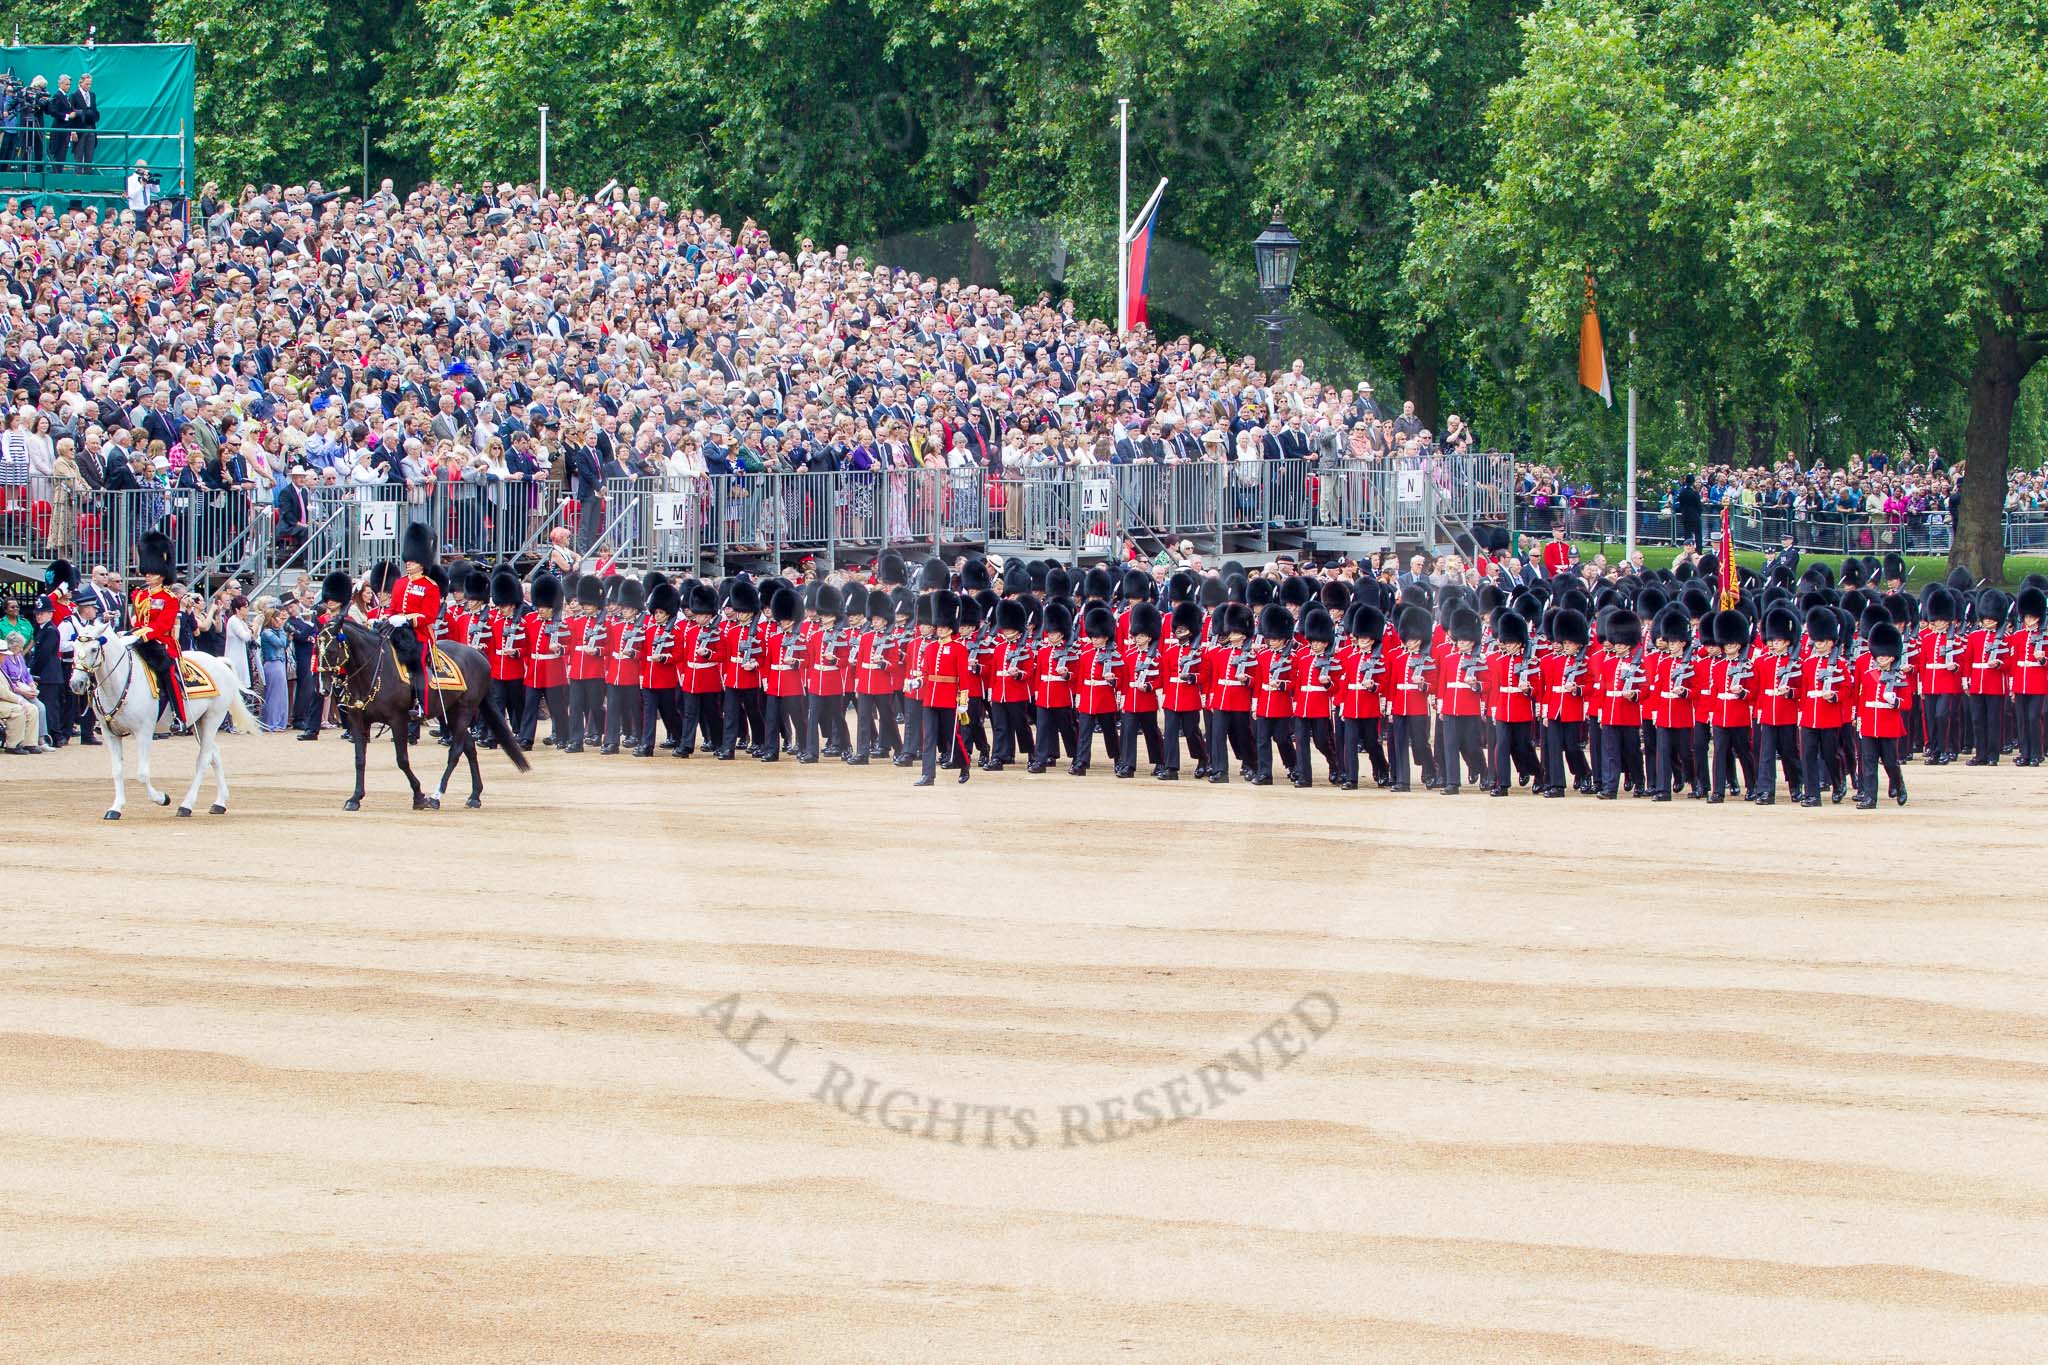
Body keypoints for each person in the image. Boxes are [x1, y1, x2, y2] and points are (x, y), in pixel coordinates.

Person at [385, 523, 443, 723]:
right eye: (407, 560)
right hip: (397, 633)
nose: (408, 563)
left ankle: (422, 706)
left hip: (419, 635)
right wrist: (387, 617)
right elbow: (393, 607)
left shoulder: (430, 586)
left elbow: (429, 616)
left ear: (422, 562)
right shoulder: (400, 583)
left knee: (417, 666)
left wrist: (407, 619)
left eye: (413, 560)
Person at [128, 532, 186, 726]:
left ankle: (179, 715)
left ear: (162, 575)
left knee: (167, 672)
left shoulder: (169, 598)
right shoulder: (140, 595)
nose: (148, 576)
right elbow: (138, 621)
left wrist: (143, 635)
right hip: (140, 638)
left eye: (152, 573)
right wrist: (133, 634)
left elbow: (162, 626)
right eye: (147, 572)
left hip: (161, 642)